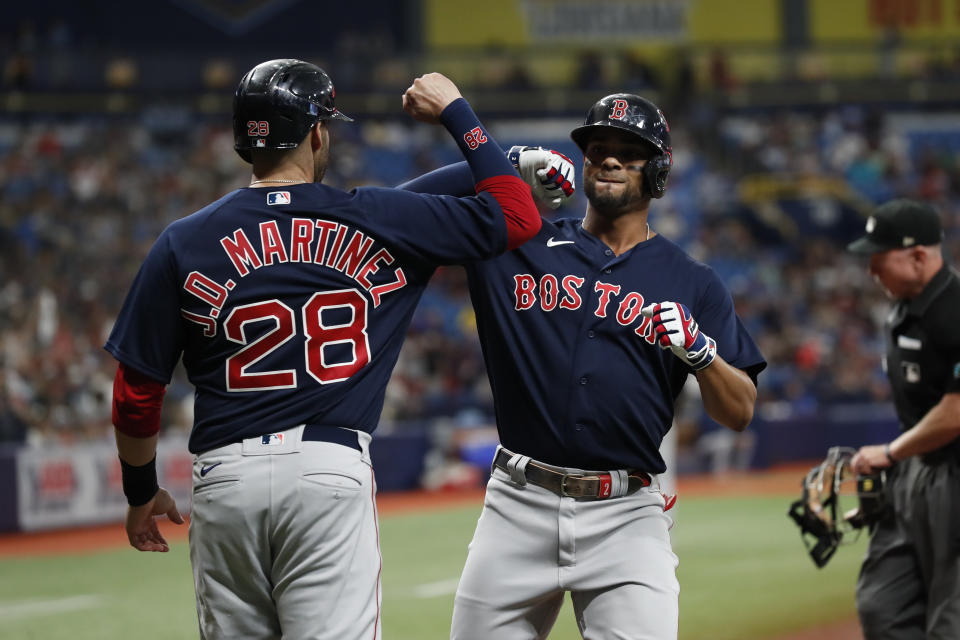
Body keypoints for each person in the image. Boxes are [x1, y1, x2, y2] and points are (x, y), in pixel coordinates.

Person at [104, 58, 547, 640]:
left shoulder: (182, 240)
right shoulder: (374, 219)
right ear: (317, 132)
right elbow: (516, 214)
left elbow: (137, 392)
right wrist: (464, 121)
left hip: (223, 480)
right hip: (326, 471)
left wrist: (140, 490)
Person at [402, 94, 766, 639]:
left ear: (660, 171)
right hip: (516, 507)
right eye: (599, 149)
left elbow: (739, 411)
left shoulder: (694, 282)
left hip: (626, 517)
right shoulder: (518, 242)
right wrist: (508, 160)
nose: (610, 160)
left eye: (629, 153)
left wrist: (704, 355)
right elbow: (397, 207)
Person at [847, 199, 960, 639]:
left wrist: (891, 453)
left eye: (880, 259)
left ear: (919, 256)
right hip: (916, 471)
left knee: (949, 620)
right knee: (882, 606)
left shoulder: (954, 309)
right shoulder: (903, 308)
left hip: (953, 470)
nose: (872, 271)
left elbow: (955, 413)